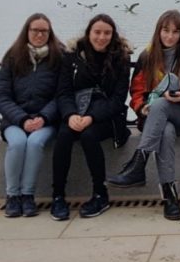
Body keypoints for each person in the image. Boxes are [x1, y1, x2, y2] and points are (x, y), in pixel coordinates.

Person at [107, 10, 180, 220]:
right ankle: (170, 197)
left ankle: (138, 164)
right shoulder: (147, 56)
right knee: (166, 131)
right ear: (158, 31)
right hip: (155, 117)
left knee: (163, 105)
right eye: (165, 31)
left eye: (175, 32)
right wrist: (141, 106)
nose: (170, 36)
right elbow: (136, 92)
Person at [50, 13, 131, 221]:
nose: (101, 37)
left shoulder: (121, 57)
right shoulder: (72, 56)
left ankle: (100, 193)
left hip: (107, 118)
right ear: (88, 33)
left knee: (88, 135)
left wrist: (92, 117)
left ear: (113, 36)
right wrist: (69, 115)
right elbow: (64, 91)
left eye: (107, 33)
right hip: (76, 112)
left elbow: (118, 99)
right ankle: (58, 196)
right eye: (97, 32)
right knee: (64, 135)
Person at [0, 13, 63, 218]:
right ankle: (12, 195)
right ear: (27, 31)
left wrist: (43, 117)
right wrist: (22, 119)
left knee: (34, 143)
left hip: (47, 120)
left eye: (44, 31)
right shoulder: (13, 57)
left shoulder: (58, 57)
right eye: (35, 30)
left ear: (50, 33)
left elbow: (61, 95)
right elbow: (1, 95)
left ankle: (27, 195)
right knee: (17, 143)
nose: (40, 35)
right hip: (16, 120)